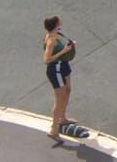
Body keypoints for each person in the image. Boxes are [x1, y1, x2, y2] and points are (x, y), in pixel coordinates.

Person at [43, 15, 83, 144]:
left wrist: (69, 46)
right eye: (58, 20)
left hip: (63, 65)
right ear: (55, 24)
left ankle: (63, 118)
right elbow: (46, 59)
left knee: (68, 91)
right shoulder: (51, 39)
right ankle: (54, 130)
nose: (61, 20)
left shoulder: (57, 34)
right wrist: (64, 50)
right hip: (56, 69)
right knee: (60, 99)